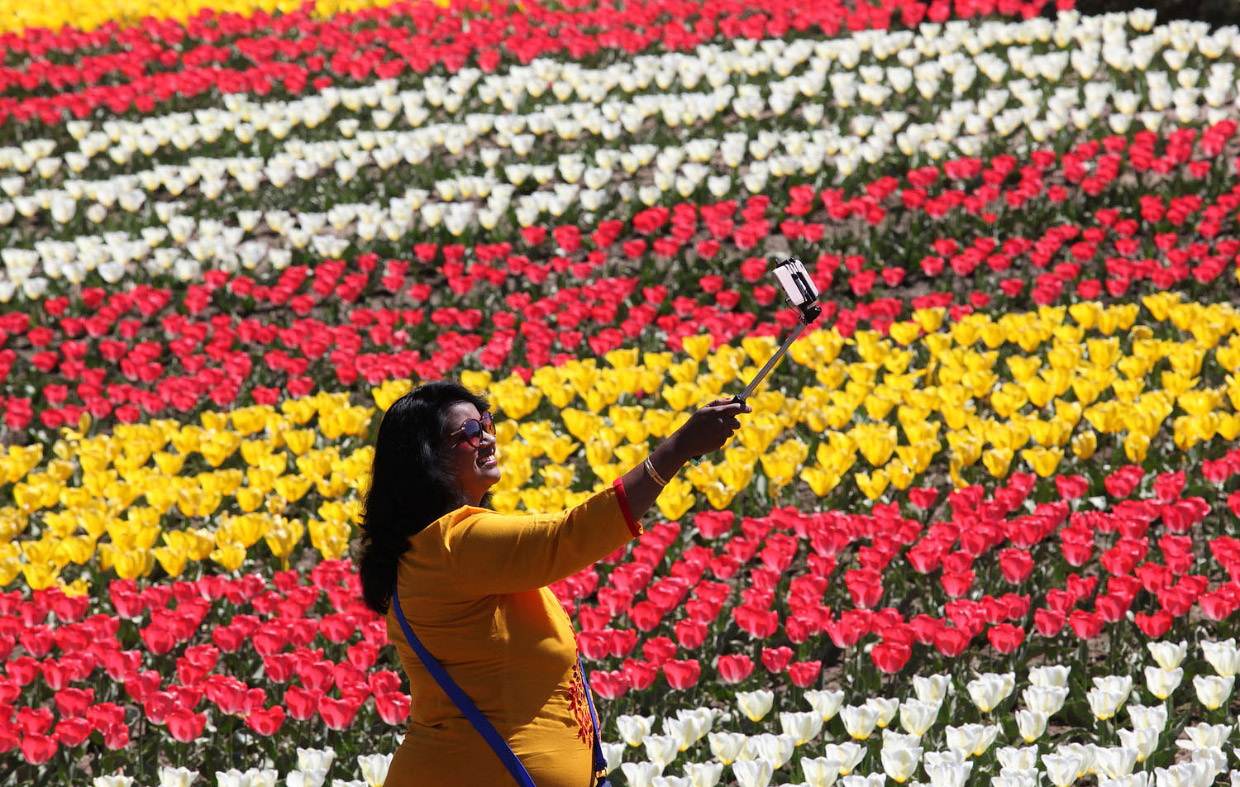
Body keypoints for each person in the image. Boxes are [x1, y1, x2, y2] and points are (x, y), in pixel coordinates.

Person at [357, 379, 750, 787]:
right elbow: (569, 536)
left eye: (487, 424)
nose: (488, 438)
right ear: (427, 459)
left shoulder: (449, 548)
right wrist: (678, 449)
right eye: (469, 433)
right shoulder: (454, 544)